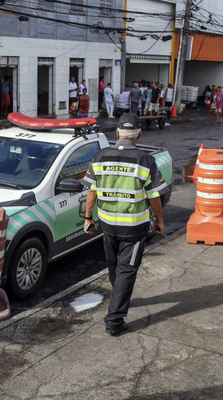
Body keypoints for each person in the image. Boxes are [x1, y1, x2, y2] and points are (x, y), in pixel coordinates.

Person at [83, 113, 165, 336]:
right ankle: (115, 320)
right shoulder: (146, 160)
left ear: (117, 133)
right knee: (126, 270)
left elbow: (92, 191)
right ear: (139, 135)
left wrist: (88, 218)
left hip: (108, 224)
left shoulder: (100, 157)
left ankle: (119, 295)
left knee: (114, 266)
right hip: (134, 228)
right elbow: (154, 195)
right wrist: (159, 219)